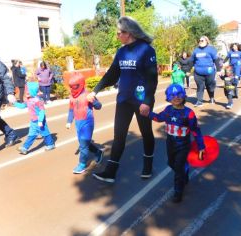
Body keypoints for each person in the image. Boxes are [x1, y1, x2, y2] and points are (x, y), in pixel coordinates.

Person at [87, 16, 158, 183]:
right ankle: (111, 172)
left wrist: (147, 101)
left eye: (119, 33)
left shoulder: (146, 50)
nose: (117, 36)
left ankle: (148, 164)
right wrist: (95, 90)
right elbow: (112, 75)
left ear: (129, 33)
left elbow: (152, 78)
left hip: (141, 100)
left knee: (146, 132)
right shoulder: (121, 51)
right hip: (124, 99)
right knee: (119, 135)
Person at [145, 84, 205, 202]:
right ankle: (185, 171)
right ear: (168, 98)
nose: (176, 98)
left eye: (179, 95)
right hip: (170, 143)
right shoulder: (168, 110)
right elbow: (159, 118)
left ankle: (178, 191)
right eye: (172, 95)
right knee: (171, 163)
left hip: (183, 144)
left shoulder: (189, 113)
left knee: (178, 167)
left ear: (184, 96)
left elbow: (196, 131)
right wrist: (148, 113)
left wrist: (201, 146)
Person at [66, 75, 104, 174]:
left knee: (83, 145)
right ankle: (98, 152)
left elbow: (99, 106)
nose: (73, 88)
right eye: (71, 86)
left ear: (81, 84)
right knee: (84, 143)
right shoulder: (71, 96)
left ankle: (82, 164)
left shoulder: (88, 95)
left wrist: (94, 101)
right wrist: (69, 121)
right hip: (78, 123)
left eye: (75, 86)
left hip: (87, 122)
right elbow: (71, 110)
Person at [15, 79, 55, 154]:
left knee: (45, 132)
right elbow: (23, 106)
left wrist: (40, 121)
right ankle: (25, 148)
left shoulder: (38, 100)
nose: (26, 92)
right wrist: (14, 103)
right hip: (33, 121)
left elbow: (42, 111)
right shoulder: (28, 100)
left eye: (28, 90)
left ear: (33, 91)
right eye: (26, 90)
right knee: (32, 134)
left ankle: (51, 144)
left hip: (40, 120)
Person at [190, 36, 221, 107]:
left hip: (209, 72)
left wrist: (219, 70)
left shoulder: (211, 49)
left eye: (202, 40)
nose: (200, 42)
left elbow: (216, 60)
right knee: (200, 86)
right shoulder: (196, 50)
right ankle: (199, 101)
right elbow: (192, 60)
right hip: (198, 72)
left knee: (209, 86)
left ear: (207, 41)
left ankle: (212, 97)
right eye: (199, 40)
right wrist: (189, 70)